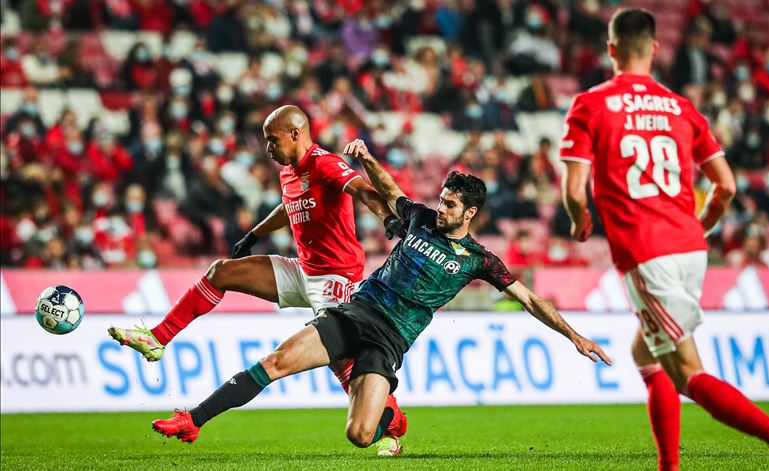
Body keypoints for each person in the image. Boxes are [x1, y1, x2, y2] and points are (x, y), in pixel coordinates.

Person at [150, 140, 611, 457]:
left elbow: (530, 299)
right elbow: (390, 192)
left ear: (470, 213)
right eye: (443, 199)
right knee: (277, 361)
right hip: (357, 311)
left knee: (358, 434)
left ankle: (390, 418)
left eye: (451, 204)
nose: (442, 206)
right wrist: (367, 157)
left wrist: (573, 335)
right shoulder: (421, 220)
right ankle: (194, 419)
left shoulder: (479, 260)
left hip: (390, 340)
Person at [559, 9, 769, 471]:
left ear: (612, 49)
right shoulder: (681, 108)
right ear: (655, 49)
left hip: (646, 253)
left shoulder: (591, 104)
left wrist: (579, 221)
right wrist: (705, 223)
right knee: (645, 353)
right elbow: (728, 187)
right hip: (690, 248)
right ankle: (670, 466)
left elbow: (575, 191)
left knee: (686, 372)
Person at [108, 106, 410, 451]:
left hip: (336, 280)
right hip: (303, 270)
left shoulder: (323, 163)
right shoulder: (289, 172)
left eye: (272, 139)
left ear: (295, 133)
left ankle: (390, 421)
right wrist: (253, 235)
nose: (268, 148)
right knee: (220, 272)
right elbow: (288, 206)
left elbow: (363, 191)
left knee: (347, 372)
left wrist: (387, 218)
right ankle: (157, 338)